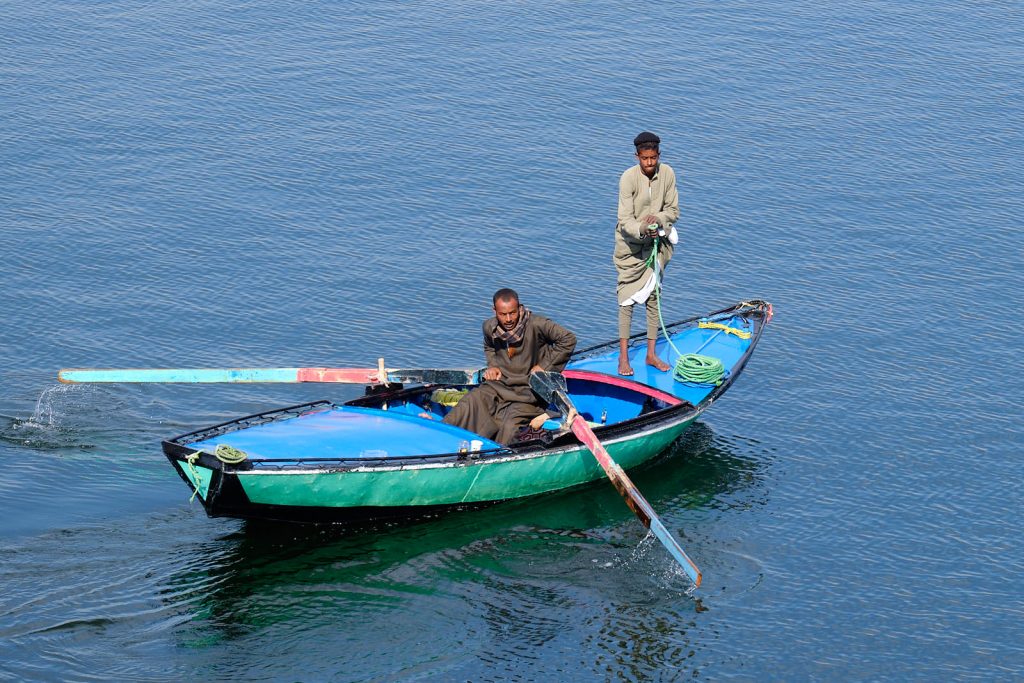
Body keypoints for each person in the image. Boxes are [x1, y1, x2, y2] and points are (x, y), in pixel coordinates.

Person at [442, 288, 577, 445]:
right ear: (495, 311)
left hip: (528, 394)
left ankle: (497, 454)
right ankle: (444, 437)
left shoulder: (537, 324)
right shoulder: (489, 327)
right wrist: (492, 365)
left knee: (509, 425)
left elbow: (568, 339)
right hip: (498, 387)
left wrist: (544, 366)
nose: (508, 319)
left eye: (512, 313)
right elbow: (489, 346)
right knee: (469, 403)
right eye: (503, 314)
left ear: (520, 308)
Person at [614, 131, 680, 376]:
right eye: (645, 159)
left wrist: (659, 220)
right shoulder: (628, 179)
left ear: (658, 155)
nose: (649, 163)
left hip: (657, 246)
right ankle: (623, 358)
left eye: (653, 158)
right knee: (626, 300)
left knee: (654, 297)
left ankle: (651, 355)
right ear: (637, 156)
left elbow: (673, 210)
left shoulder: (668, 174)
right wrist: (643, 229)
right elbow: (624, 220)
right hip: (630, 248)